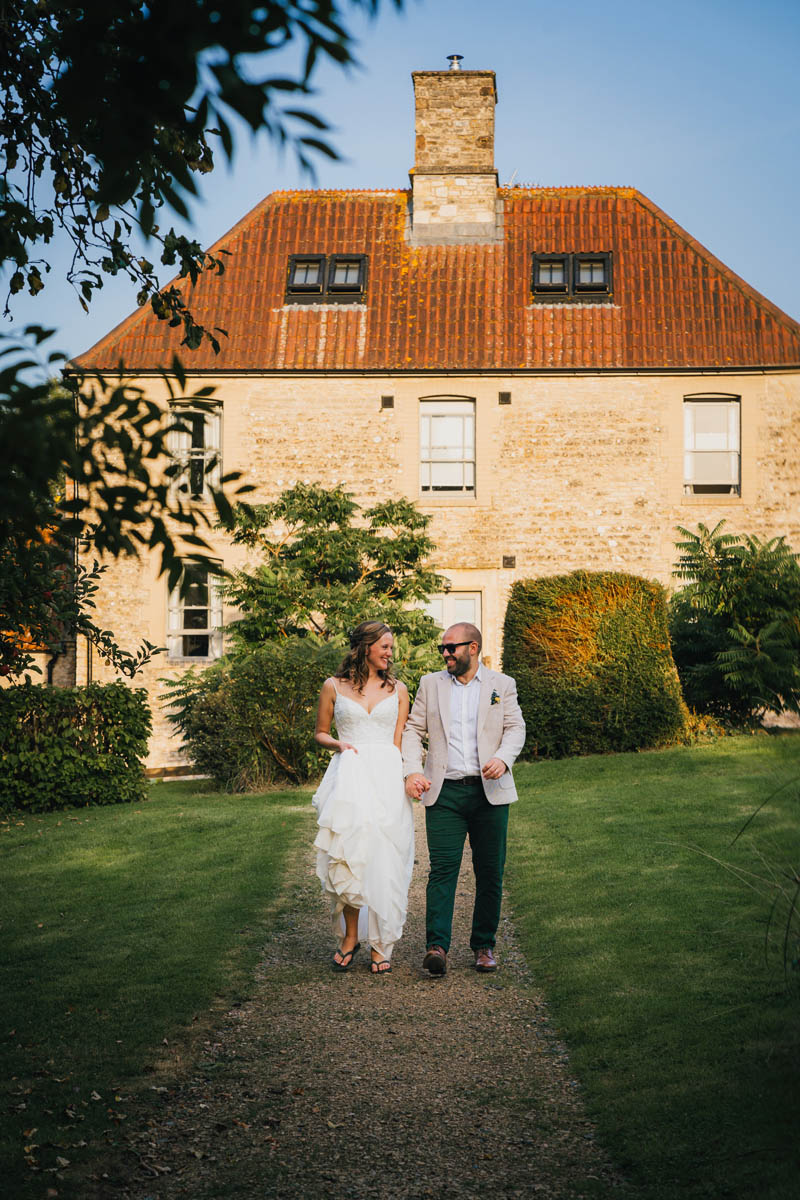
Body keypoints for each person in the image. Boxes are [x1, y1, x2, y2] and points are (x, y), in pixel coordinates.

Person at [402, 623, 525, 976]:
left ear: (473, 647)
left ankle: (484, 946)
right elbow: (412, 729)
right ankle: (436, 946)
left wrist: (503, 758)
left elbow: (516, 727)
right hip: (445, 793)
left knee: (490, 872)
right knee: (442, 870)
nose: (445, 654)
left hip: (491, 794)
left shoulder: (502, 685)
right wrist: (412, 770)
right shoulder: (430, 684)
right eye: (442, 648)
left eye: (451, 647)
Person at [312, 620, 414, 975]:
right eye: (384, 646)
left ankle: (382, 943)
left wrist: (406, 778)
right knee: (351, 854)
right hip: (350, 776)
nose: (390, 652)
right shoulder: (333, 686)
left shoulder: (399, 689)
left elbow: (400, 741)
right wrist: (339, 744)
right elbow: (321, 733)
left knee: (386, 855)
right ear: (365, 647)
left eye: (391, 647)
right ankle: (351, 937)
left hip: (385, 777)